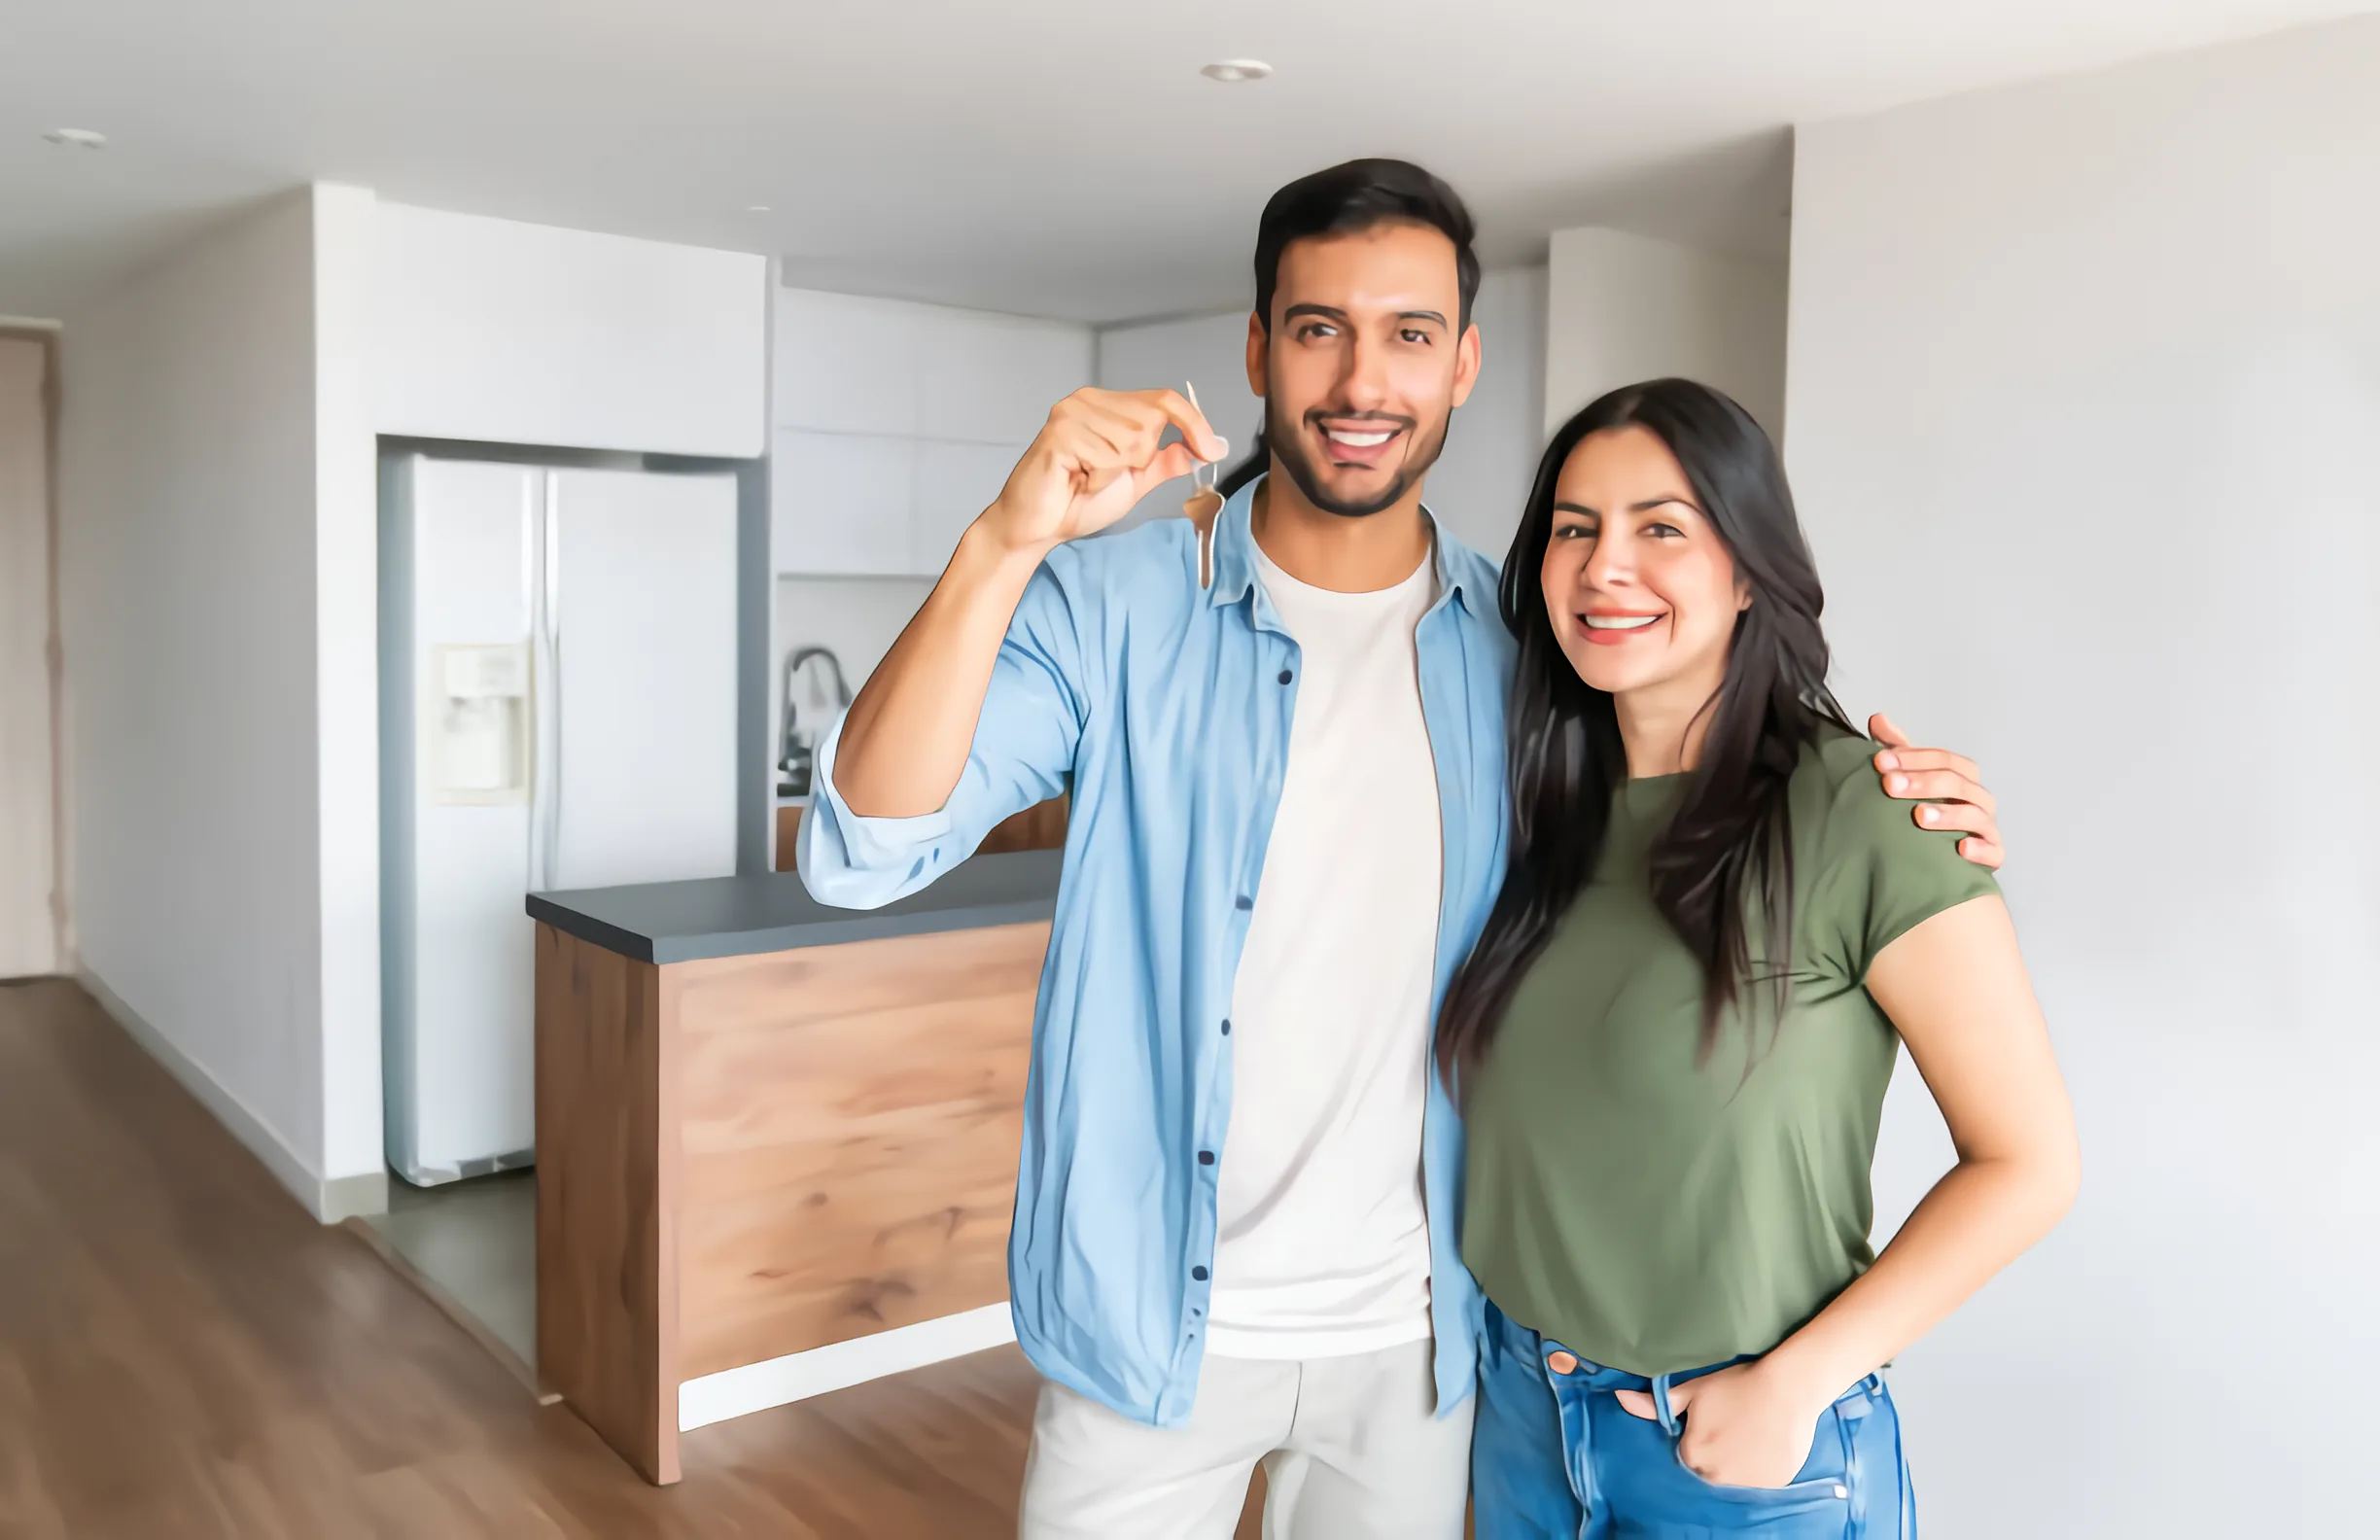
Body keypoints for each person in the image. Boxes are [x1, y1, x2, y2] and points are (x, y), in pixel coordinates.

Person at [797, 160, 2005, 1540]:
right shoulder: (1116, 605)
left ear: (1464, 362)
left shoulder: (1532, 651)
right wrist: (1003, 539)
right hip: (1149, 1336)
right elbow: (863, 850)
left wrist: (1906, 797)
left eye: (1410, 334)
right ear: (1258, 348)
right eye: (1317, 327)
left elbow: (1716, 759)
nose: (1361, 379)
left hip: (1429, 1352)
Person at [1446, 378, 2080, 1537]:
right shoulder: (1532, 811)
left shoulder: (1862, 811)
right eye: (1574, 528)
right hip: (1518, 1424)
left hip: (1740, 1460)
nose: (1603, 567)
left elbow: (2029, 1162)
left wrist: (1796, 1383)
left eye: (1662, 529)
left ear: (1748, 571)